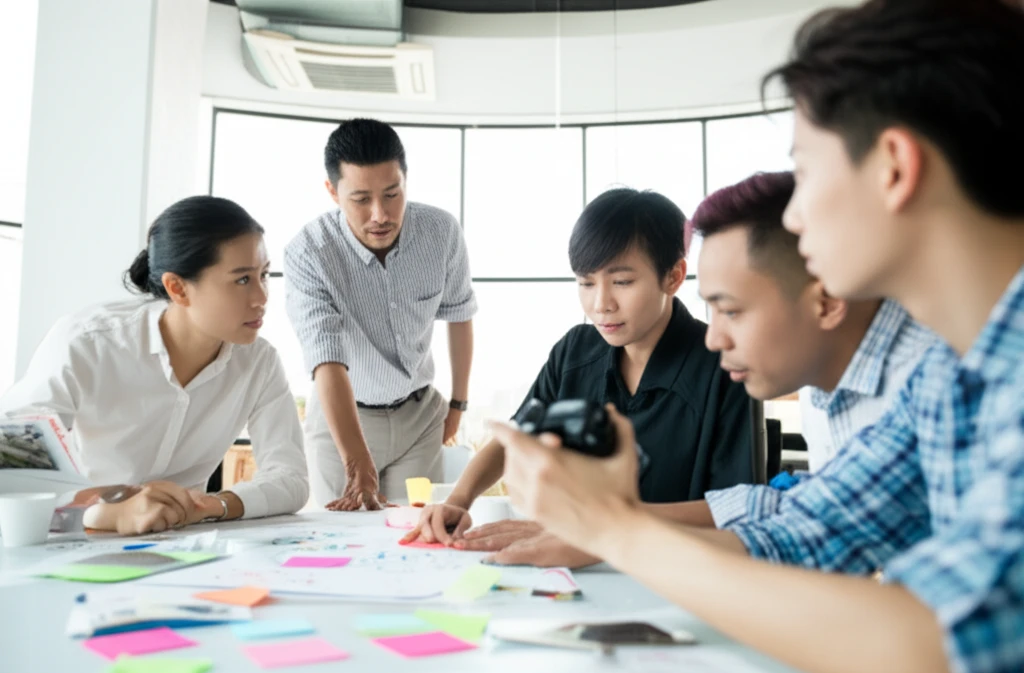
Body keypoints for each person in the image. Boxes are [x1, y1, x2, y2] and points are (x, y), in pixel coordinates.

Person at [495, 0, 1024, 673]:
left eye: (803, 173)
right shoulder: (949, 376)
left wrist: (612, 525)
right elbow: (804, 529)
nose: (794, 217)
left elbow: (942, 644)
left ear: (893, 166)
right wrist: (605, 525)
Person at [452, 171, 937, 567]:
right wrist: (609, 528)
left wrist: (612, 530)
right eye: (585, 283)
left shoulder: (931, 387)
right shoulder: (834, 399)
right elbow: (796, 513)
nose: (715, 336)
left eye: (732, 310)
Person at [404, 188, 756, 545]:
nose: (601, 304)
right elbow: (517, 436)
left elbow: (737, 511)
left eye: (622, 282)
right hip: (575, 566)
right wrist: (457, 502)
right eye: (586, 283)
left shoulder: (726, 366)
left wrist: (585, 529)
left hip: (679, 572)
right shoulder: (575, 352)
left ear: (674, 277)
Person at [0, 196, 309, 535]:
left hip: (181, 543)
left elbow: (290, 478)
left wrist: (208, 506)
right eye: (242, 279)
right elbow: (10, 466)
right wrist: (107, 513)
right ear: (178, 288)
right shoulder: (88, 342)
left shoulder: (259, 362)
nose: (262, 298)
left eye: (264, 275)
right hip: (72, 535)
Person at [285, 119, 476, 511]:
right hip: (345, 419)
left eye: (392, 194)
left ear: (406, 181)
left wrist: (458, 404)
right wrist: (356, 461)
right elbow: (326, 360)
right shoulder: (309, 253)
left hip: (420, 417)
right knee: (343, 541)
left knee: (416, 535)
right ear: (332, 192)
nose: (380, 215)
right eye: (360, 199)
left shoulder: (441, 232)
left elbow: (459, 315)